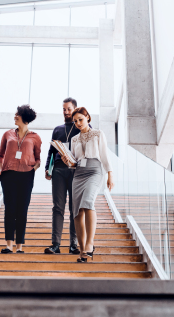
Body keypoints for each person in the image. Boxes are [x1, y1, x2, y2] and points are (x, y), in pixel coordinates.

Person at [61, 107, 114, 263]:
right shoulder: (74, 139)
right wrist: (68, 162)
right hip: (78, 173)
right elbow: (75, 161)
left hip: (94, 171)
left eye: (80, 119)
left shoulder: (98, 134)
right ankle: (83, 249)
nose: (78, 123)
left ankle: (90, 244)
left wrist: (110, 174)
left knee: (88, 203)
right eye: (75, 121)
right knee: (77, 211)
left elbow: (104, 154)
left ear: (88, 118)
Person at [0, 105, 41, 253]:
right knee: (10, 209)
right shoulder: (7, 134)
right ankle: (9, 244)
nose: (15, 116)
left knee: (22, 210)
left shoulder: (35, 137)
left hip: (26, 175)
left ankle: (19, 246)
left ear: (25, 117)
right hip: (8, 174)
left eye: (17, 114)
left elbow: (38, 159)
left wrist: (31, 170)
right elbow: (0, 155)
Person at [44, 98, 82, 255]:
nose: (66, 112)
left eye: (69, 109)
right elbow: (51, 152)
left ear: (75, 109)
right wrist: (48, 168)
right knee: (57, 207)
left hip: (75, 170)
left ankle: (74, 244)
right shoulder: (57, 129)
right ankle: (55, 244)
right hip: (59, 171)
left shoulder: (81, 127)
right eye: (64, 109)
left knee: (75, 208)